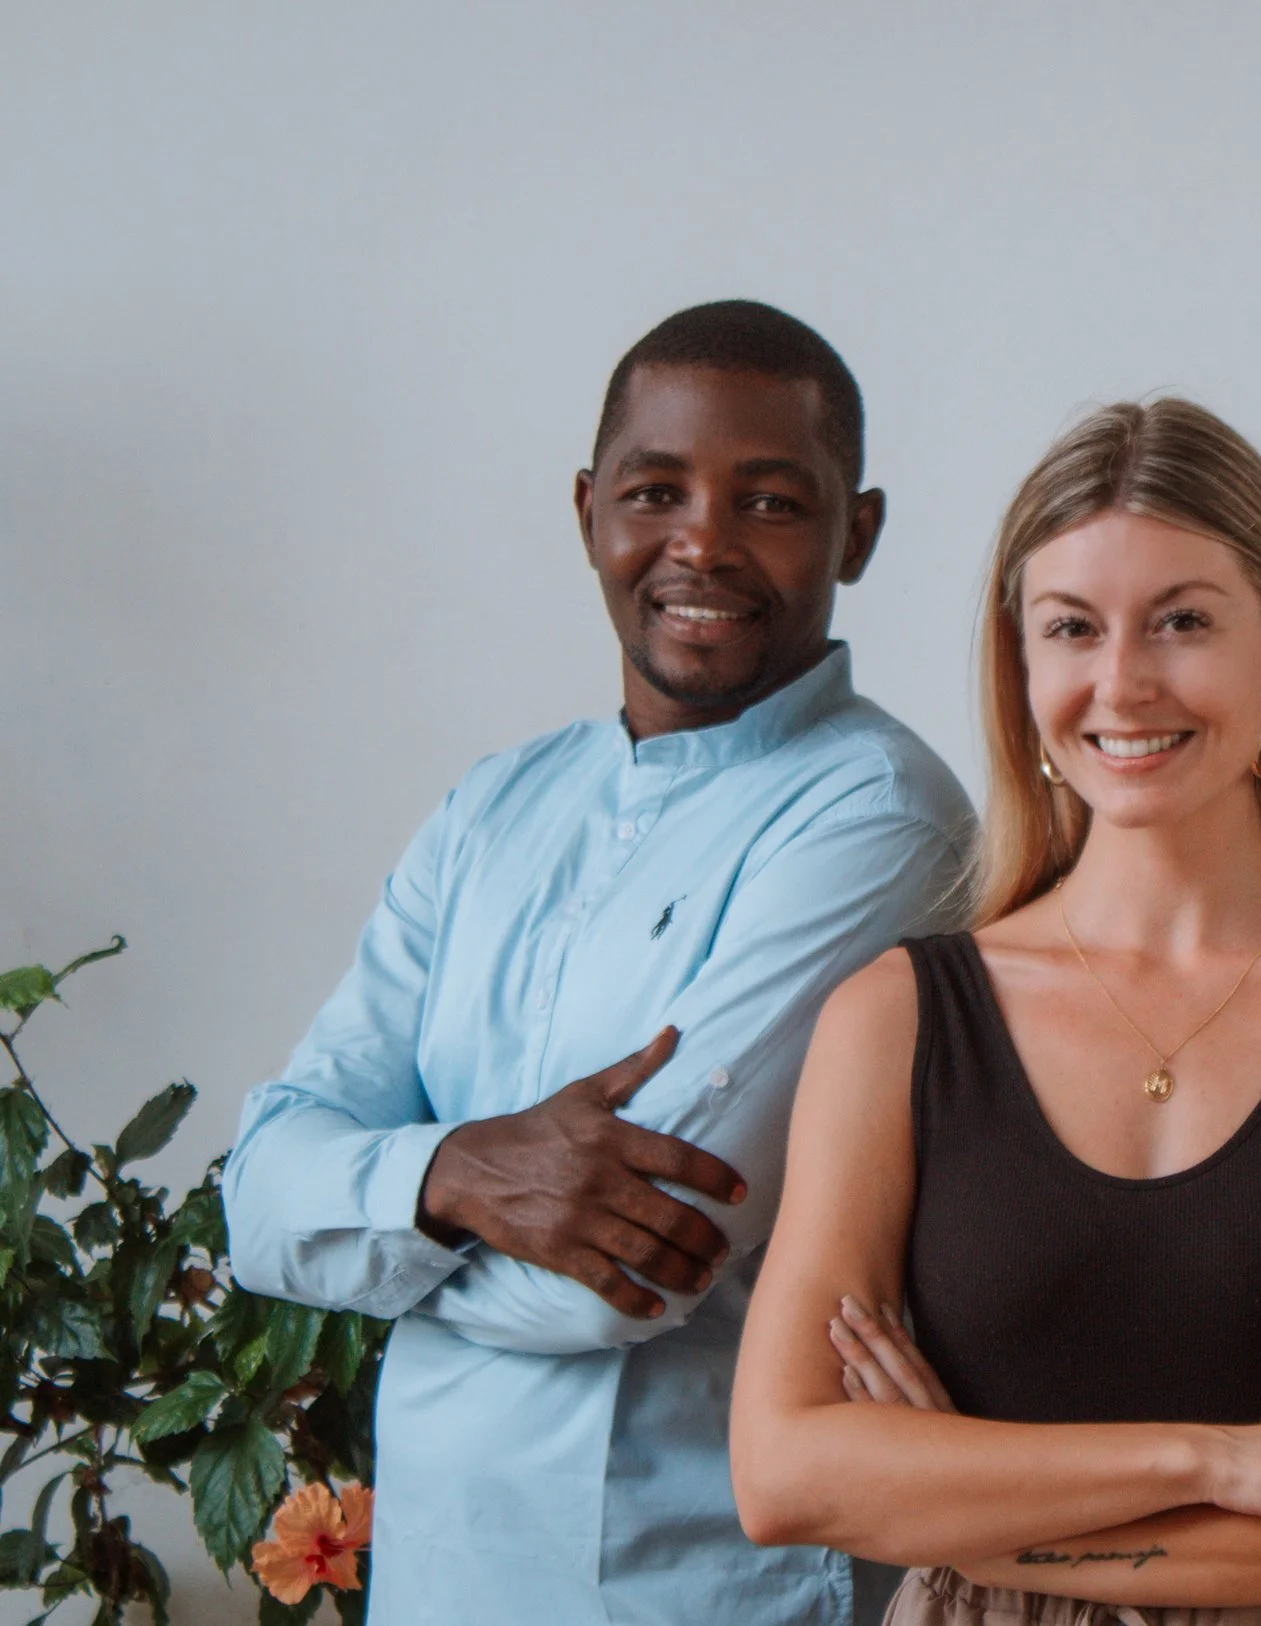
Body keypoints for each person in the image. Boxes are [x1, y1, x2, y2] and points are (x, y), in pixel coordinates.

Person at [225, 300, 973, 1625]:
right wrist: (456, 1171)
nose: (701, 542)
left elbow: (615, 1287)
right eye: (655, 489)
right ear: (587, 511)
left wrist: (379, 1218)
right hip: (440, 1585)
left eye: (772, 502)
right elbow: (258, 1198)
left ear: (857, 531)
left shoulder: (880, 816)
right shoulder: (493, 805)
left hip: (698, 1584)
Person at [730, 398, 1261, 1624]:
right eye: (1071, 628)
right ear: (1023, 663)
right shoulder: (895, 1019)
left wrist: (986, 1526)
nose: (1122, 682)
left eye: (1183, 622)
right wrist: (1223, 1461)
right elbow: (783, 1475)